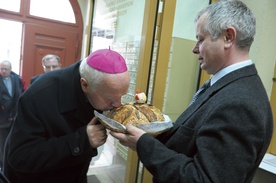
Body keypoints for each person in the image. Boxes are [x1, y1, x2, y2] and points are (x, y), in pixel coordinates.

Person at [110, 1, 273, 183]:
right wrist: (151, 128)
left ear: (228, 37)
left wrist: (143, 144)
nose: (195, 48)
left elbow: (203, 179)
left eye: (201, 39)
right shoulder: (224, 86)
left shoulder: (239, 104)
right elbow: (193, 140)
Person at [3, 49, 130, 183]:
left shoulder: (97, 86)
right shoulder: (39, 95)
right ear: (85, 84)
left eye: (122, 96)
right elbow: (20, 156)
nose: (118, 105)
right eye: (110, 98)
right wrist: (82, 141)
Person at [0, 60, 25, 171]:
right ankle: (2, 165)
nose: (3, 71)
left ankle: (11, 162)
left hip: (14, 116)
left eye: (6, 68)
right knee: (2, 143)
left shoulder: (17, 79)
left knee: (13, 140)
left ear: (10, 69)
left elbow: (21, 93)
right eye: (1, 68)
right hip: (1, 118)